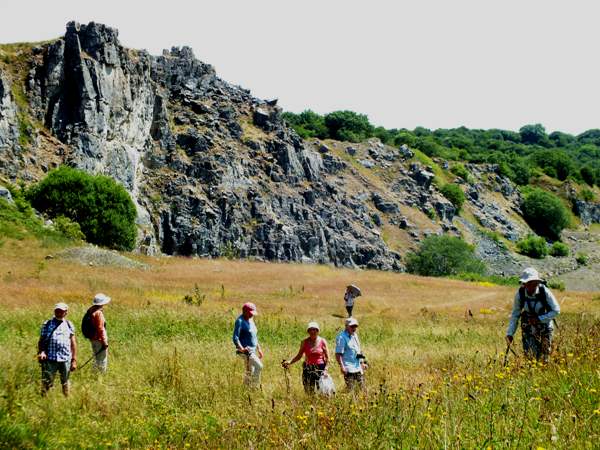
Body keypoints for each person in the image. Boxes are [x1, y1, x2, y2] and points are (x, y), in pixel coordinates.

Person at [506, 267, 560, 363]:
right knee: (529, 355)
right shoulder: (520, 294)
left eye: (534, 283)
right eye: (528, 283)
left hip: (545, 326)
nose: (531, 286)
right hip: (528, 326)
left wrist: (539, 319)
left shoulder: (544, 292)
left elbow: (556, 310)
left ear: (537, 282)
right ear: (524, 284)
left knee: (545, 357)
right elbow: (515, 314)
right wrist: (510, 333)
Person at [37, 302, 77, 396]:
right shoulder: (47, 324)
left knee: (65, 381)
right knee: (47, 381)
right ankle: (44, 399)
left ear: (66, 312)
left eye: (61, 311)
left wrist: (74, 360)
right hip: (50, 358)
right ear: (54, 311)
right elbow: (41, 340)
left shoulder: (69, 324)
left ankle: (66, 399)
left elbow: (73, 343)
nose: (59, 312)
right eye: (57, 310)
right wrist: (42, 352)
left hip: (65, 358)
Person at [282, 321, 330, 394]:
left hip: (320, 368)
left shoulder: (323, 341)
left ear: (318, 331)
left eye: (315, 329)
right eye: (310, 330)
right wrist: (289, 362)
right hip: (308, 368)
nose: (313, 331)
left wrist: (326, 369)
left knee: (322, 391)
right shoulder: (304, 342)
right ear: (308, 331)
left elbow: (327, 358)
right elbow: (299, 356)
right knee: (308, 391)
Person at [232, 302, 263, 388]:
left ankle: (245, 389)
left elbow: (254, 336)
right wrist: (242, 349)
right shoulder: (240, 321)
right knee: (259, 366)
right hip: (246, 351)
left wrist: (259, 349)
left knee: (250, 371)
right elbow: (235, 338)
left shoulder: (251, 320)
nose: (252, 315)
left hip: (252, 350)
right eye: (250, 313)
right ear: (245, 311)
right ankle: (254, 388)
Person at [335, 317, 367, 391]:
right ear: (346, 326)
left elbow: (358, 350)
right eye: (352, 326)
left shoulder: (355, 335)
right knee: (351, 390)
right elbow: (338, 354)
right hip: (348, 368)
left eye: (355, 326)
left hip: (358, 367)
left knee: (363, 388)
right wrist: (342, 366)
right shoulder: (341, 337)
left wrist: (362, 362)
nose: (354, 328)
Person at [83, 293, 111, 373]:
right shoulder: (98, 313)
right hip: (99, 339)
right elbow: (100, 328)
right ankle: (101, 376)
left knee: (96, 357)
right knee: (102, 359)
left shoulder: (91, 310)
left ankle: (94, 373)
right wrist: (104, 342)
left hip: (93, 339)